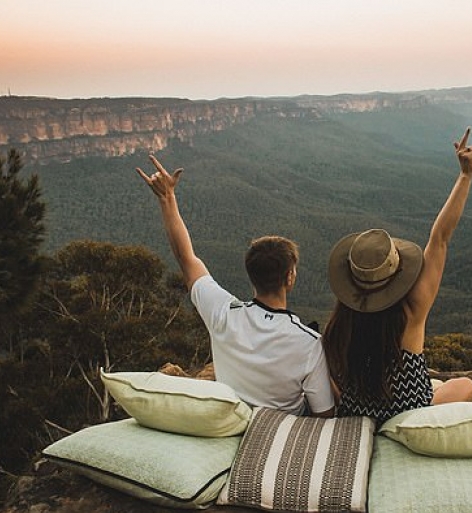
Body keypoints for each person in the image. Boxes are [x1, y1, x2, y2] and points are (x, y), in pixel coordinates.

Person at [136, 155, 335, 417]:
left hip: (234, 418)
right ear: (290, 277)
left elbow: (186, 258)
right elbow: (325, 413)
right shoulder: (309, 342)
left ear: (250, 274)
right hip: (280, 429)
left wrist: (167, 198)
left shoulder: (223, 313)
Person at [322, 128, 472, 421]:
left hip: (356, 412)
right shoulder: (413, 308)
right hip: (408, 415)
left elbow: (330, 378)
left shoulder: (341, 322)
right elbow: (440, 238)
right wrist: (465, 176)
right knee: (465, 385)